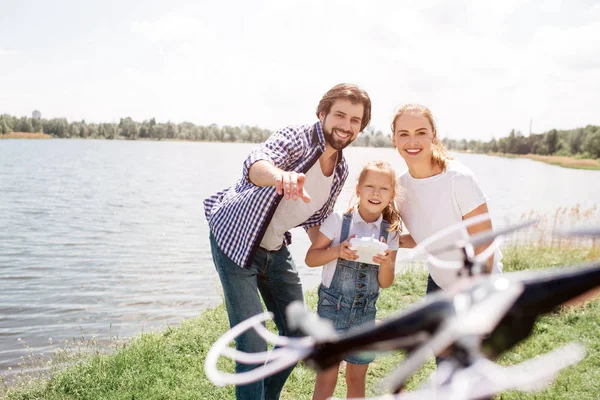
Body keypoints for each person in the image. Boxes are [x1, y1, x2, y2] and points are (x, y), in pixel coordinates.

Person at [203, 83, 372, 400]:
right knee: (252, 340)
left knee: (297, 333)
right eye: (339, 115)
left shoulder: (340, 170)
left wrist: (342, 247)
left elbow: (315, 219)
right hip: (235, 241)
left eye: (355, 120)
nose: (346, 125)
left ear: (361, 126)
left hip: (273, 248)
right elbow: (256, 164)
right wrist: (280, 176)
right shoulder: (298, 137)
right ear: (322, 113)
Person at [305, 160, 402, 400]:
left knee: (356, 378)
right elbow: (311, 258)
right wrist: (337, 251)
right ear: (358, 189)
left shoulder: (390, 231)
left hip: (365, 314)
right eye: (369, 186)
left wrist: (387, 262)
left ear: (392, 194)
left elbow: (385, 282)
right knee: (327, 375)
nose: (376, 193)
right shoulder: (338, 221)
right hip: (332, 310)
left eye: (383, 188)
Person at [390, 104, 502, 294]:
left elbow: (484, 243)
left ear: (433, 135)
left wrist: (477, 293)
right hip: (438, 284)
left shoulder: (457, 178)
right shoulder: (400, 187)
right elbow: (429, 237)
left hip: (477, 286)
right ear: (394, 139)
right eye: (403, 134)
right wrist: (385, 239)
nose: (412, 141)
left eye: (421, 132)